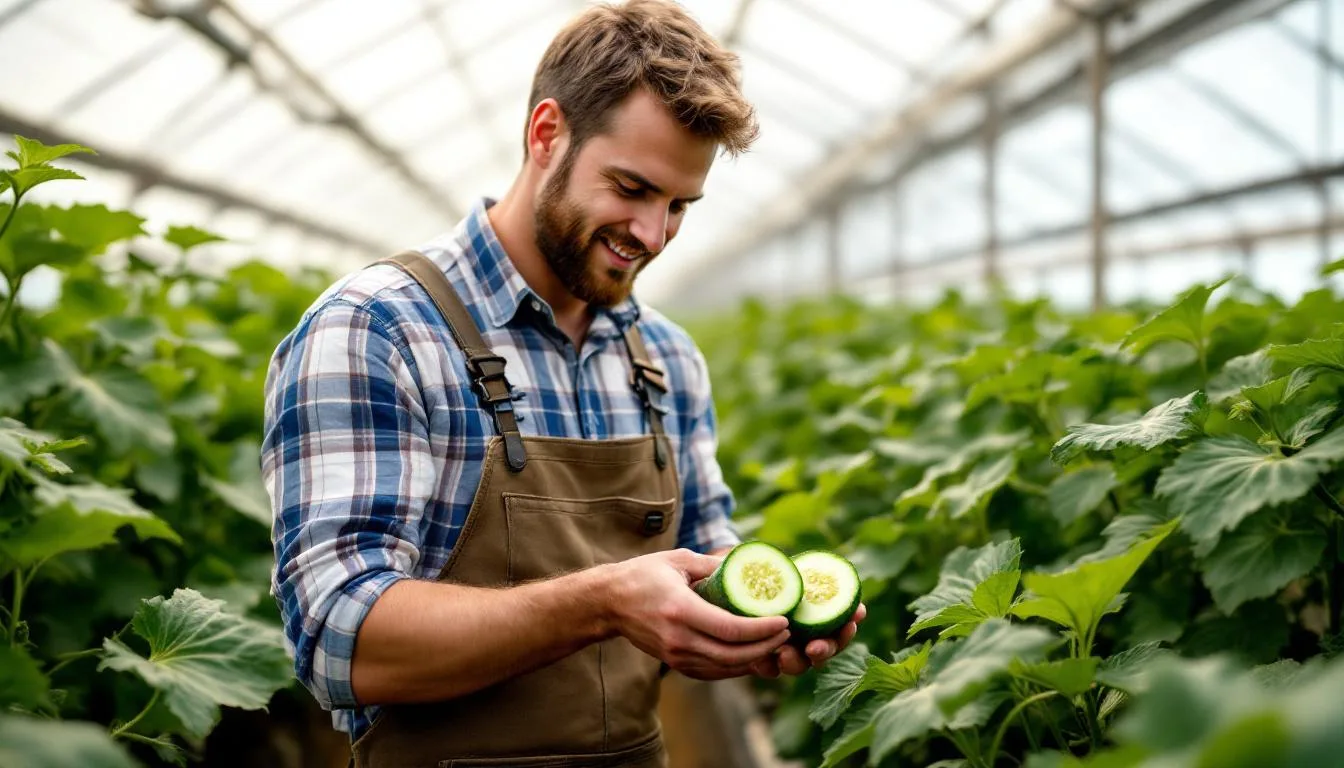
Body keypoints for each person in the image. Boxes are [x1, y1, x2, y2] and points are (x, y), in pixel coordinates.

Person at [261, 2, 865, 766]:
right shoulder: (378, 331)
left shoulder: (667, 361)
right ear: (546, 134)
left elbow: (707, 558)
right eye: (632, 187)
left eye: (679, 206)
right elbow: (338, 638)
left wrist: (751, 630)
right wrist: (604, 602)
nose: (652, 235)